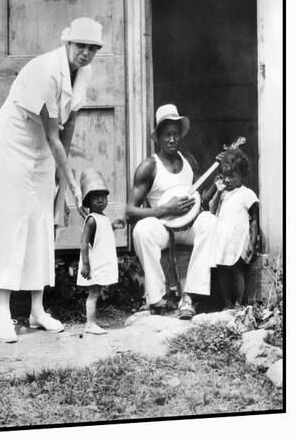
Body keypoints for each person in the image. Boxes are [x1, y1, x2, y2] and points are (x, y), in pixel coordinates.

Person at [0, 17, 104, 342]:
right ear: (68, 44)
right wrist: (74, 184)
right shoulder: (47, 71)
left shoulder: (84, 72)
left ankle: (37, 310)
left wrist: (66, 184)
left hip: (45, 146)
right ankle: (4, 314)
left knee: (42, 221)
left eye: (92, 48)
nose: (86, 53)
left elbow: (69, 126)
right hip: (15, 142)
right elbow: (54, 135)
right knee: (12, 222)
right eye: (81, 46)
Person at [125, 104, 216, 320]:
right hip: (162, 228)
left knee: (209, 221)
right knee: (142, 230)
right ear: (157, 137)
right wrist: (166, 209)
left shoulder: (190, 163)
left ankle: (190, 297)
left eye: (176, 134)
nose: (172, 139)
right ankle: (157, 298)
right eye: (167, 135)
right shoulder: (149, 167)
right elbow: (129, 212)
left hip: (187, 227)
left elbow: (199, 200)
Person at [207, 149, 259, 309]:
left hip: (238, 239)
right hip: (223, 239)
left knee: (237, 270)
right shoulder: (223, 194)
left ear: (242, 176)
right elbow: (211, 210)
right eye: (225, 176)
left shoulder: (247, 194)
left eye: (232, 176)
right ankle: (227, 304)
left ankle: (238, 303)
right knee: (222, 269)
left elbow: (254, 220)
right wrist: (217, 191)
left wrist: (252, 241)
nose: (227, 180)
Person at [76, 169, 124, 334]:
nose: (101, 200)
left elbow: (102, 235)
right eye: (96, 197)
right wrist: (86, 265)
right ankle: (90, 324)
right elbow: (84, 243)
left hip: (100, 263)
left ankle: (93, 320)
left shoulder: (102, 218)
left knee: (97, 292)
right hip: (93, 264)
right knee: (93, 293)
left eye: (103, 196)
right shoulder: (91, 220)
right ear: (88, 201)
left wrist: (113, 226)